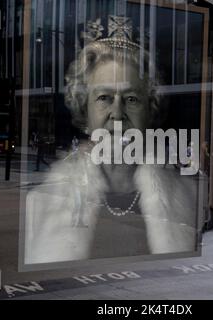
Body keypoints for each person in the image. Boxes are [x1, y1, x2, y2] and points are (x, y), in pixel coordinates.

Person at [24, 17, 198, 264]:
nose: (117, 113)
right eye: (104, 97)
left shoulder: (188, 198)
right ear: (84, 110)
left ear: (150, 110)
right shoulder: (42, 202)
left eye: (131, 99)